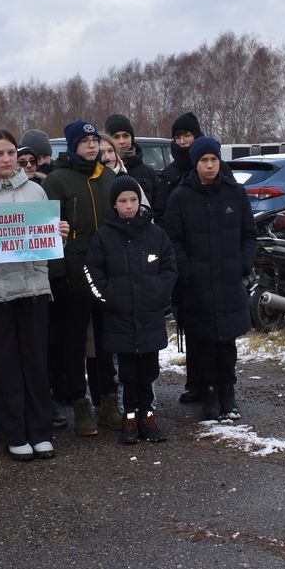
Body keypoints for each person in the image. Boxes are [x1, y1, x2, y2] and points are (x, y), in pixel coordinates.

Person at [0, 129, 67, 461]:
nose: (6, 160)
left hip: (33, 289)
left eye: (10, 154)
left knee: (35, 362)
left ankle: (40, 431)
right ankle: (14, 433)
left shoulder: (36, 190)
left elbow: (50, 241)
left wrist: (60, 233)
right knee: (4, 365)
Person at [162, 135, 255, 422]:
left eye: (214, 159)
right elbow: (173, 240)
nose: (210, 165)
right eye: (204, 160)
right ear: (195, 163)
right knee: (202, 343)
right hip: (197, 284)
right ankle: (210, 395)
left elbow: (248, 234)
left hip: (228, 282)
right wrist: (187, 271)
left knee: (226, 343)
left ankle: (228, 394)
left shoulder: (234, 192)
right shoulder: (181, 196)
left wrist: (243, 263)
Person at [84, 175, 176, 445]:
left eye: (133, 199)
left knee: (148, 372)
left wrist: (158, 293)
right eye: (123, 200)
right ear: (114, 204)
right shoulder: (104, 235)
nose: (129, 205)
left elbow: (170, 267)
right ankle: (130, 418)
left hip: (149, 317)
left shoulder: (155, 234)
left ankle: (148, 416)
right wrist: (108, 298)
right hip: (119, 319)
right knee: (126, 374)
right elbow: (92, 271)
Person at [45, 120, 122, 434]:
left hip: (106, 275)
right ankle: (80, 405)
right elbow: (47, 234)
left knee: (106, 342)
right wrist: (59, 275)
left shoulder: (109, 178)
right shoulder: (57, 181)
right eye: (85, 141)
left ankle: (108, 402)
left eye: (94, 140)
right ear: (72, 145)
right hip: (73, 277)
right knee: (74, 344)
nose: (91, 146)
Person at [152, 111, 202, 217]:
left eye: (186, 135)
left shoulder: (215, 167)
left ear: (196, 135)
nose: (182, 141)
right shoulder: (169, 174)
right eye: (178, 137)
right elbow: (160, 213)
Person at [104, 113, 157, 187]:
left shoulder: (149, 173)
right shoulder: (100, 171)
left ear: (132, 138)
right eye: (116, 137)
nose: (122, 141)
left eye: (126, 136)